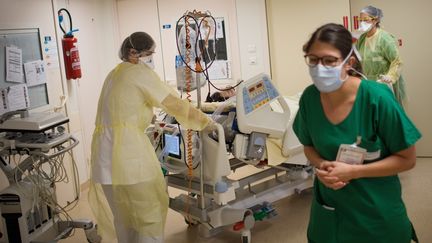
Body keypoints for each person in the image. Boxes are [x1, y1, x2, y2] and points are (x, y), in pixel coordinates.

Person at [293, 23, 421, 243]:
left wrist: (353, 172)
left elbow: (407, 159)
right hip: (329, 215)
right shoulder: (310, 98)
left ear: (348, 63)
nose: (319, 67)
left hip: (376, 215)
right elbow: (309, 146)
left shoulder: (377, 98)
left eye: (329, 60)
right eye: (313, 60)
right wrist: (321, 164)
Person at [88, 32, 214, 243]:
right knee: (150, 211)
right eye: (149, 54)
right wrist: (206, 122)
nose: (151, 58)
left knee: (123, 216)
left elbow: (124, 107)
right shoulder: (139, 73)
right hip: (128, 154)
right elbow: (172, 103)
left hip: (103, 157)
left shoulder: (114, 74)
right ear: (133, 53)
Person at [356, 5, 406, 105]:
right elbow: (359, 60)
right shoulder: (361, 39)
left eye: (365, 20)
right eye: (360, 20)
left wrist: (390, 76)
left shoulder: (385, 39)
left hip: (384, 86)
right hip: (368, 86)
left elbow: (397, 61)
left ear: (375, 20)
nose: (362, 23)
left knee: (386, 116)